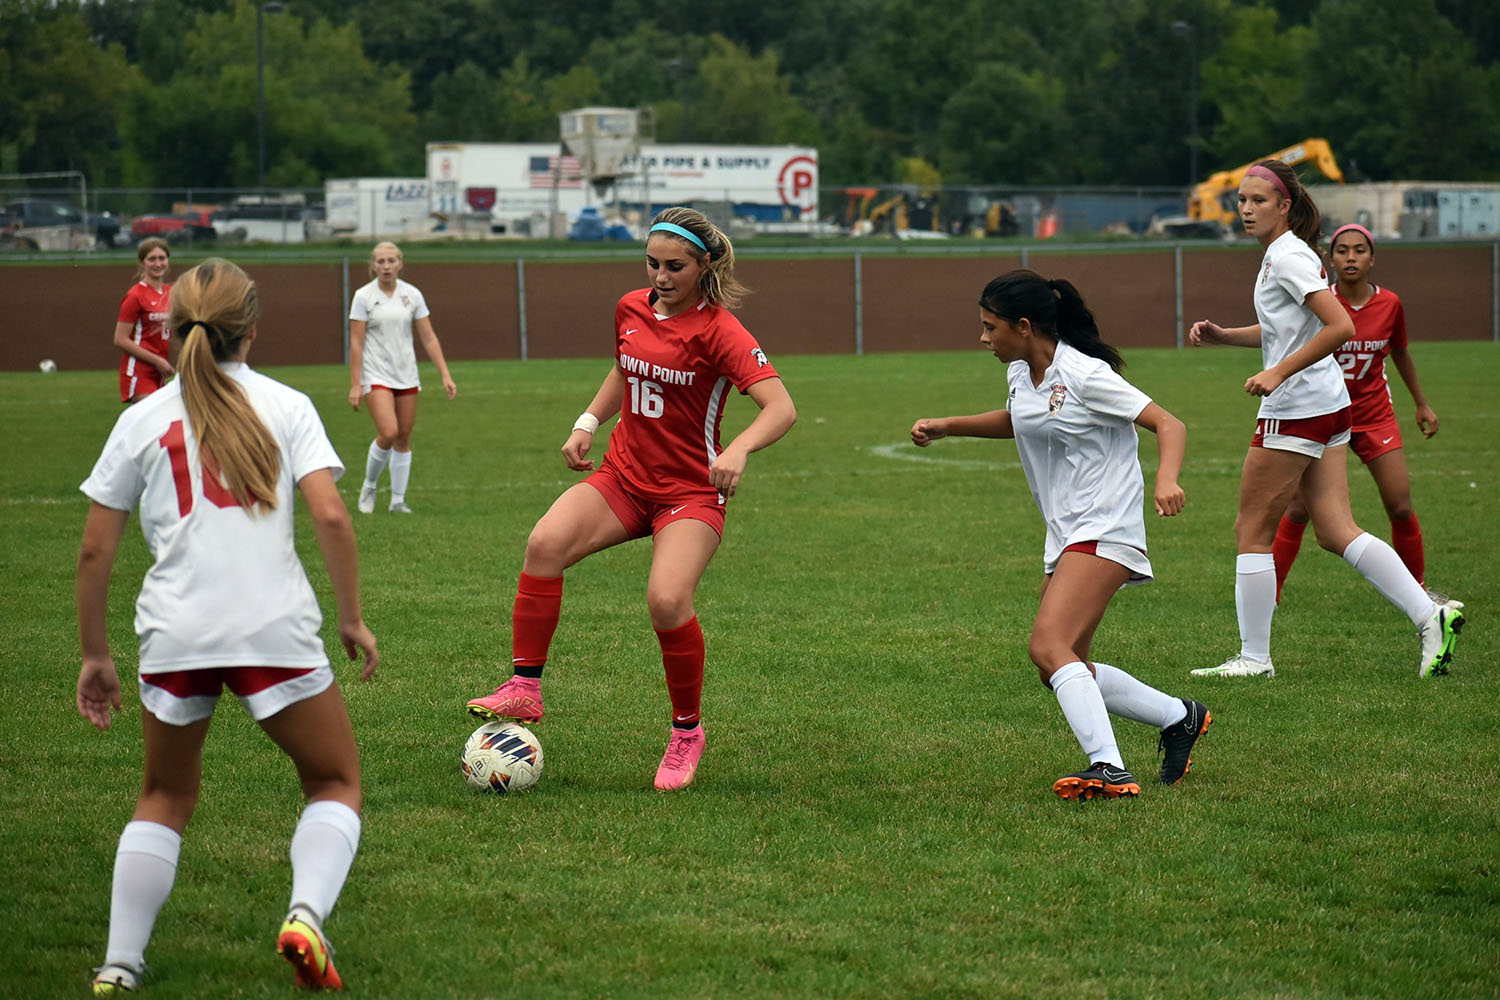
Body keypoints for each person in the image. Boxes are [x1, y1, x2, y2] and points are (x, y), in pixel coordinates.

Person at [77, 258, 379, 994]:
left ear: (173, 328)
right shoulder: (285, 404)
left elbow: (94, 549)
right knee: (334, 781)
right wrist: (350, 618)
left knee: (164, 798)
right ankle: (305, 916)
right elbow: (332, 515)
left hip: (175, 631)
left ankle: (119, 965)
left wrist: (95, 654)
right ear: (252, 329)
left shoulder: (141, 419)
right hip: (272, 626)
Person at [465, 207, 797, 791]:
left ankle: (686, 733)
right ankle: (524, 689)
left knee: (667, 601)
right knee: (544, 543)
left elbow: (781, 407)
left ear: (704, 265)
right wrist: (587, 421)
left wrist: (738, 450)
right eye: (652, 263)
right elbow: (625, 368)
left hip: (689, 493)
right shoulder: (631, 307)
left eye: (675, 266)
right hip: (623, 477)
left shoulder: (721, 331)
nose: (661, 276)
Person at [910, 269, 1209, 801]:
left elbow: (1169, 423)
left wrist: (1167, 479)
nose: (983, 339)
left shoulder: (1086, 373)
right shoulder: (1022, 372)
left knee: (1049, 646)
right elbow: (1021, 419)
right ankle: (1179, 717)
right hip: (1067, 530)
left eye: (989, 327)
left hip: (1105, 523)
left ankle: (1110, 768)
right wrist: (949, 424)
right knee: (1064, 664)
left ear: (1023, 326)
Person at [1187, 161, 1463, 679]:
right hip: (1329, 405)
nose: (1245, 209)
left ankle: (1254, 659)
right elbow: (1289, 329)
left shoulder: (1287, 256)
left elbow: (1340, 325)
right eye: (1241, 200)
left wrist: (1277, 373)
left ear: (1285, 206)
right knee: (1336, 530)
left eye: (1258, 201)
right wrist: (1227, 336)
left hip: (1296, 409)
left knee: (1251, 531)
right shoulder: (1289, 254)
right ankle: (1432, 615)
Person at [1271, 223, 1461, 610]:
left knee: (1400, 505)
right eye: (1342, 250)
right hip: (1322, 416)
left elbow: (1402, 353)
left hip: (1374, 416)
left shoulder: (1390, 304)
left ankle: (1420, 594)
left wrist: (1421, 404)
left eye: (1360, 250)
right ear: (1331, 258)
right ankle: (1269, 596)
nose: (1351, 257)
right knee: (1296, 509)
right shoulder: (1318, 302)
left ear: (1373, 258)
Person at [347, 241, 457, 514]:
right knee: (389, 432)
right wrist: (355, 383)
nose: (386, 266)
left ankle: (397, 500)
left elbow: (428, 337)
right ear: (373, 266)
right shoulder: (363, 296)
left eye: (391, 261)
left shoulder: (413, 295)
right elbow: (356, 343)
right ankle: (370, 485)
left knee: (403, 438)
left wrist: (445, 374)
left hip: (406, 374)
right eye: (381, 262)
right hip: (376, 374)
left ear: (400, 264)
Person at [113, 237, 174, 403]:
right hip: (139, 370)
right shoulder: (135, 295)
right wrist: (156, 360)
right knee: (152, 422)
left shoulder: (172, 293)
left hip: (159, 371)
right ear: (142, 263)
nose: (158, 264)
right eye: (152, 259)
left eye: (162, 258)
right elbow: (120, 339)